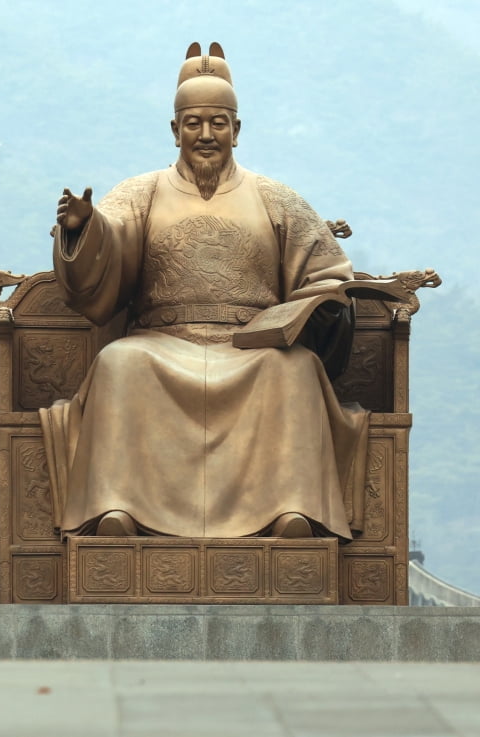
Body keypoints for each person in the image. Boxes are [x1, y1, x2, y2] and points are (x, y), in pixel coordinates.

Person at [41, 42, 366, 540]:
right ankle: (117, 510)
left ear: (237, 129)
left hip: (252, 346)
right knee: (118, 363)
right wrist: (85, 230)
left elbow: (326, 272)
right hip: (161, 342)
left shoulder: (277, 198)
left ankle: (293, 512)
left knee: (296, 370)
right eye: (194, 123)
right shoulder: (139, 192)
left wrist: (322, 300)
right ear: (175, 130)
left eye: (218, 123)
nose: (206, 135)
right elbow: (104, 261)